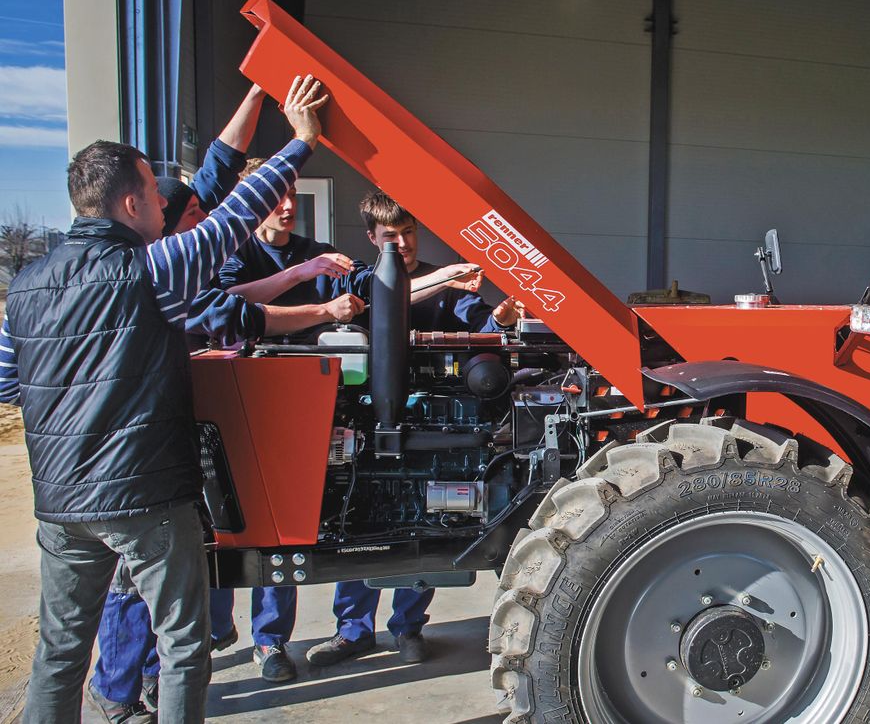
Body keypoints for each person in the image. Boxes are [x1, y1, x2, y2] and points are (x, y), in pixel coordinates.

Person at [0, 74, 328, 724]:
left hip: (60, 504)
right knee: (182, 645)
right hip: (146, 498)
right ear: (131, 203)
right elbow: (233, 220)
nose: (162, 204)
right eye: (154, 192)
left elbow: (8, 382)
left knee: (62, 652)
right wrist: (301, 143)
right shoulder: (150, 269)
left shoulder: (26, 284)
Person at [88, 173, 365, 722]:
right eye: (193, 214)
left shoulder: (157, 272)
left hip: (156, 447)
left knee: (175, 570)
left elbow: (230, 301)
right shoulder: (153, 276)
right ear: (155, 217)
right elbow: (230, 314)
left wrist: (306, 274)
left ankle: (145, 675)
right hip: (138, 457)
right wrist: (322, 311)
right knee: (139, 581)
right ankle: (119, 691)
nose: (204, 225)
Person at [303, 189, 524, 670]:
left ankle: (407, 628)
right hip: (365, 420)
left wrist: (500, 318)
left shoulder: (451, 288)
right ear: (371, 237)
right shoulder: (362, 282)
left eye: (408, 233)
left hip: (432, 420)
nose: (401, 244)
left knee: (417, 520)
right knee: (357, 519)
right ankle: (352, 632)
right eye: (390, 236)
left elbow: (479, 325)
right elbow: (364, 307)